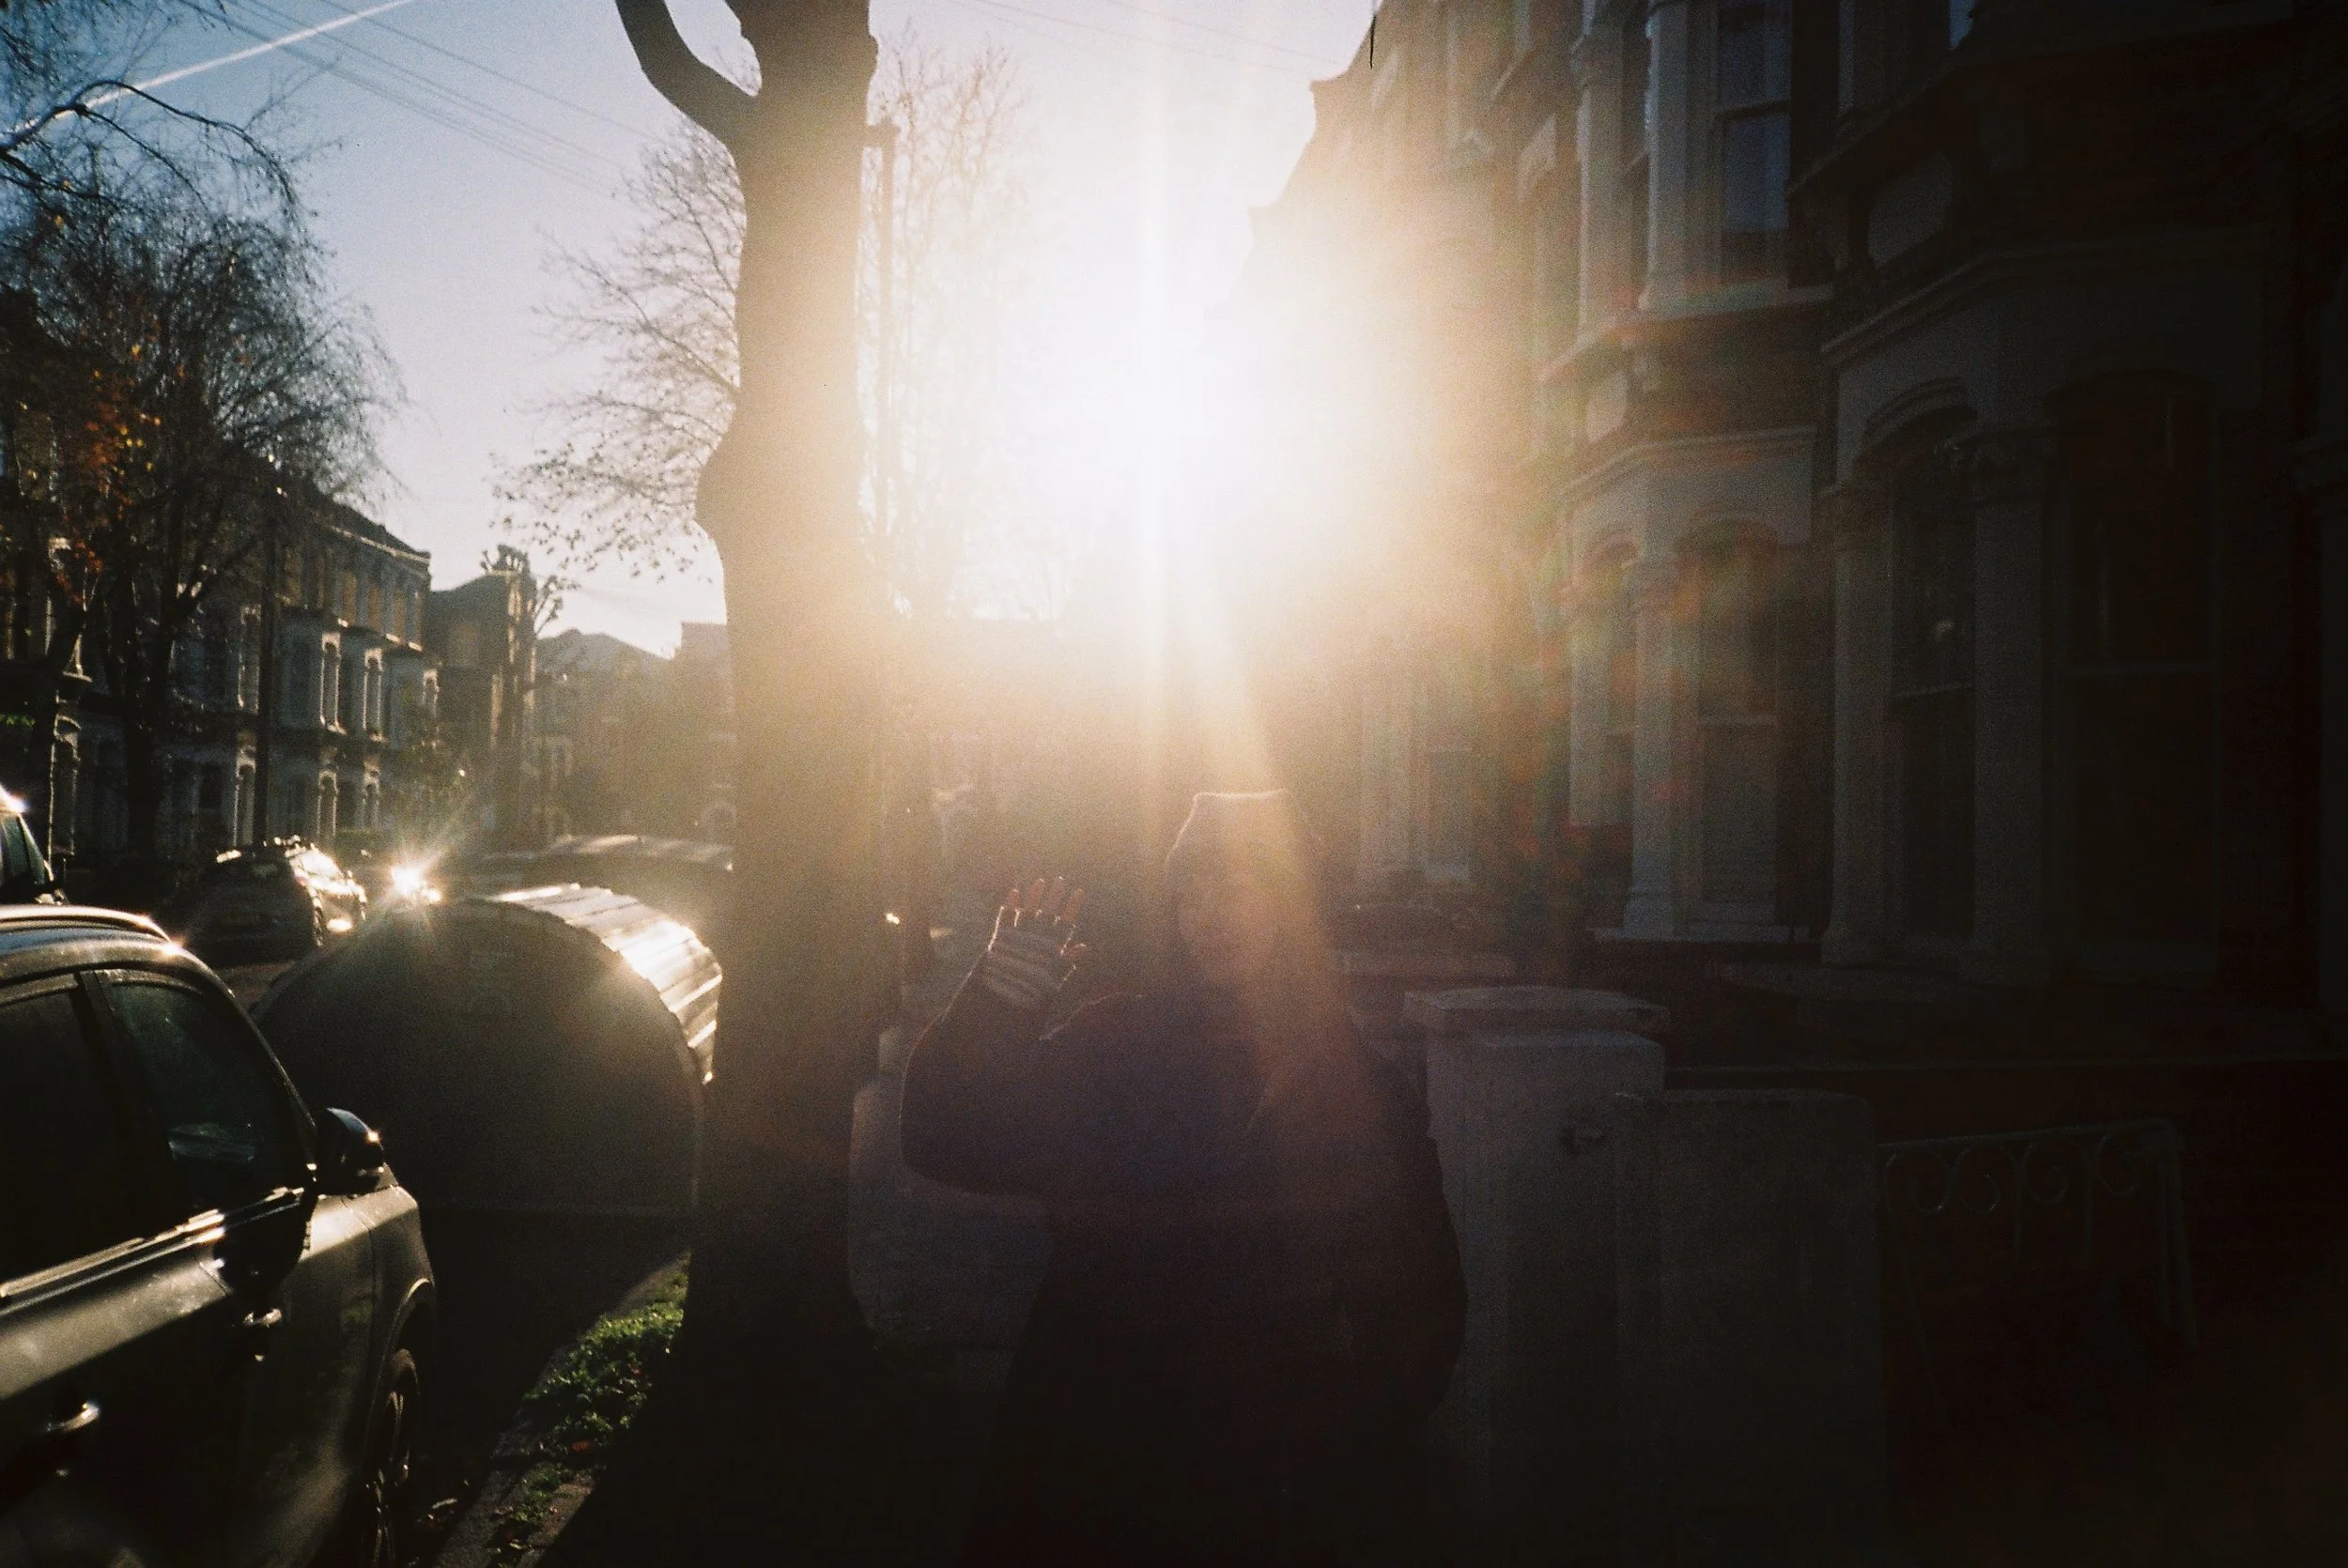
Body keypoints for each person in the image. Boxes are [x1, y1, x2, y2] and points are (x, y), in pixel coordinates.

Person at [902, 790, 1467, 1567]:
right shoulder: (1113, 1045)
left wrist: (1347, 1441)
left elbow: (1418, 1292)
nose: (1209, 912)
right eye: (1192, 890)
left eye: (1236, 884)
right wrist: (992, 1015)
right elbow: (948, 1144)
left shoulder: (1354, 1084)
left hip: (1262, 1477)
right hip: (1088, 1452)